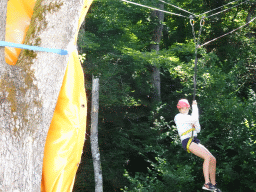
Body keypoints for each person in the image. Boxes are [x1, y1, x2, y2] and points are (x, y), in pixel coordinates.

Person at [174, 99, 221, 192]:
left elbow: (198, 129)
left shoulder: (190, 117)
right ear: (179, 109)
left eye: (186, 108)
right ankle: (207, 183)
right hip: (187, 141)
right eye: (182, 109)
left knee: (213, 159)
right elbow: (195, 118)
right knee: (207, 157)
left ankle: (213, 184)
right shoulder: (178, 117)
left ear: (188, 108)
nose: (184, 110)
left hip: (194, 140)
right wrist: (195, 106)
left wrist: (194, 124)